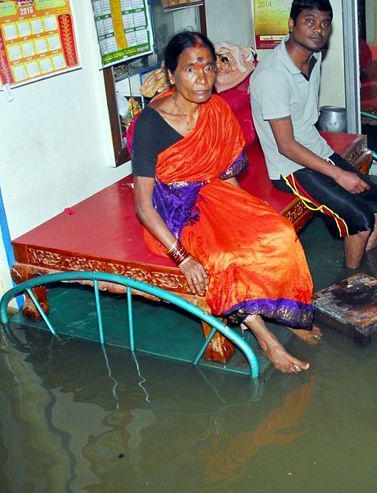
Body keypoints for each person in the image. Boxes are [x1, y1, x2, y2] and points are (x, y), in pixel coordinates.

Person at [131, 32, 313, 374]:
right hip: (172, 210)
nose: (202, 78)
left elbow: (227, 177)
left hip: (214, 192)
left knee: (277, 232)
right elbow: (143, 205)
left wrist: (245, 216)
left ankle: (284, 313)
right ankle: (265, 339)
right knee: (223, 256)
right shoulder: (150, 124)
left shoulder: (217, 109)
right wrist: (181, 258)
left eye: (209, 68)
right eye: (190, 69)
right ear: (171, 75)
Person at [250, 0, 377, 270]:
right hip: (288, 168)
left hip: (317, 151)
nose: (319, 29)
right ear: (291, 23)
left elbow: (306, 122)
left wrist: (335, 167)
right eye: (310, 21)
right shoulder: (272, 76)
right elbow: (286, 146)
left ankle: (366, 264)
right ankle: (350, 282)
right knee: (361, 218)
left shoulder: (313, 58)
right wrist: (339, 174)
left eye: (325, 23)